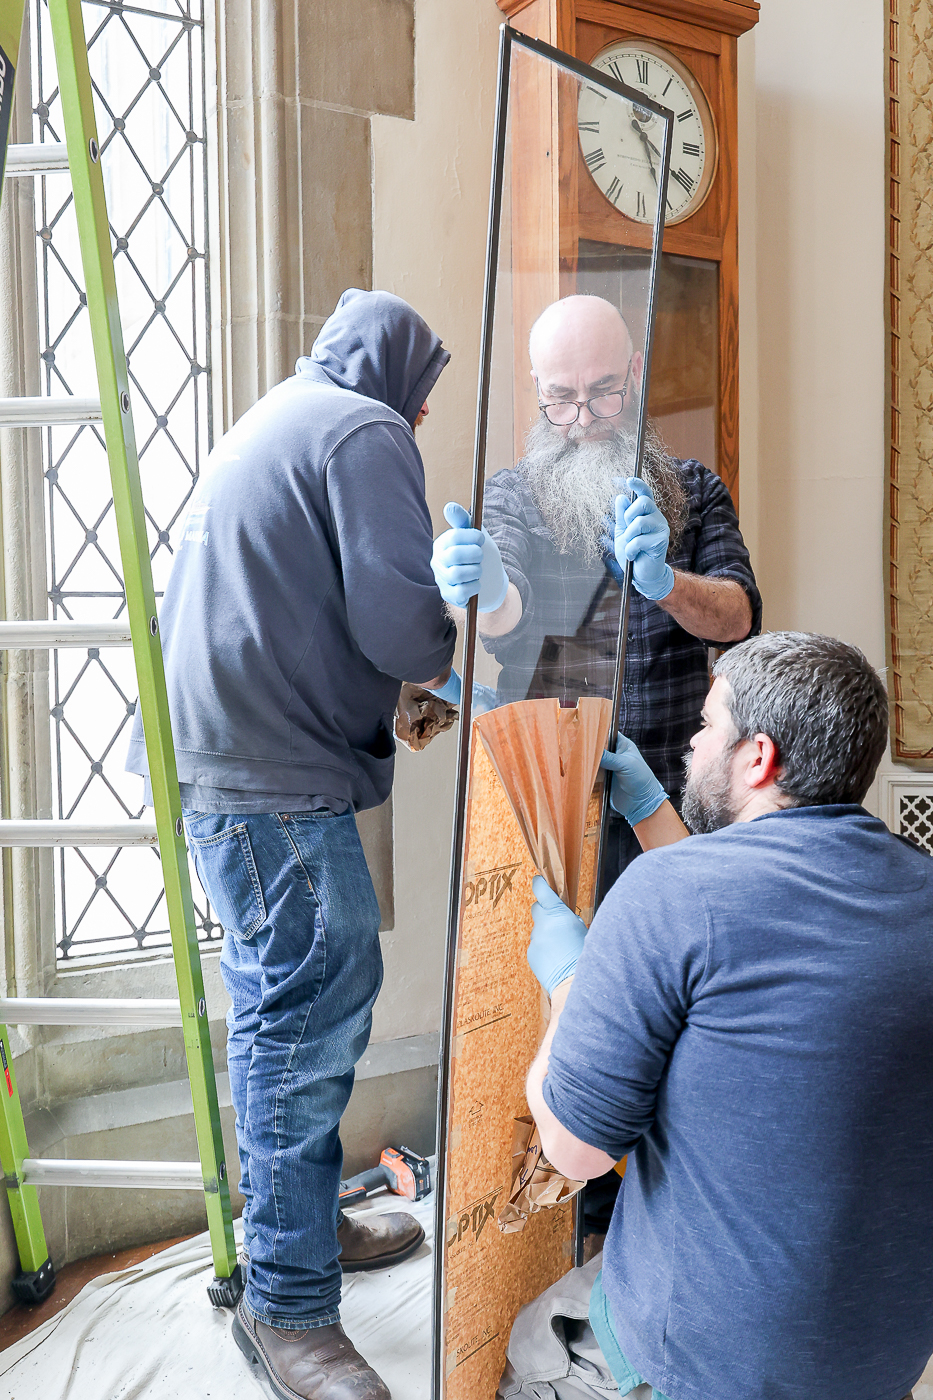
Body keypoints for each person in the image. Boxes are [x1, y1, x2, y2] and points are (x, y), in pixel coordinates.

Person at [126, 289, 456, 1400]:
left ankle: (297, 1237)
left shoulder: (278, 412)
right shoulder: (365, 429)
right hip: (271, 775)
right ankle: (288, 1307)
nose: (420, 419)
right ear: (401, 379)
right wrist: (451, 632)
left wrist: (395, 689)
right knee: (307, 1020)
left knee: (284, 1013)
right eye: (424, 399)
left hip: (223, 760)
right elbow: (400, 623)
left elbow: (295, 600)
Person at [502, 631, 933, 1400]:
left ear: (757, 757)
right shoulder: (916, 888)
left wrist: (571, 983)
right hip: (882, 1360)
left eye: (706, 727)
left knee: (528, 1346)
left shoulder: (664, 896)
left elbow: (575, 1152)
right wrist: (650, 813)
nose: (690, 746)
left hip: (713, 1368)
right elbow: (744, 918)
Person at [431, 292, 762, 1231]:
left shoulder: (691, 489)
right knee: (570, 1025)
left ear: (637, 377)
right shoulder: (515, 492)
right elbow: (506, 621)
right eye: (561, 398)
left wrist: (666, 582)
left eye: (604, 393)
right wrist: (487, 589)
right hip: (553, 801)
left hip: (679, 795)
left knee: (682, 1011)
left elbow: (738, 615)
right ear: (536, 389)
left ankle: (671, 1197)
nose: (582, 418)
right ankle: (569, 1225)